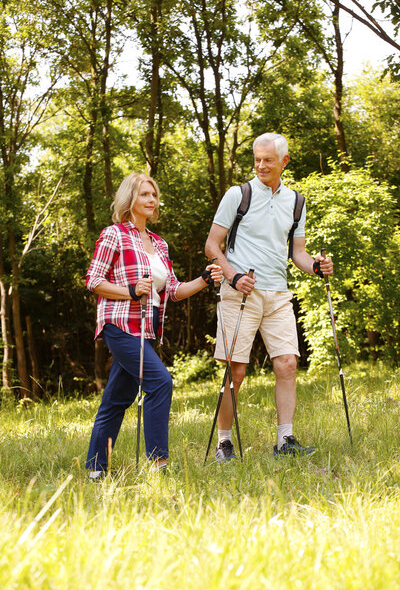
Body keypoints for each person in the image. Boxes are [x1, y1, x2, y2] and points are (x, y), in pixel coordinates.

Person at [205, 132, 333, 461]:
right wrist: (233, 276)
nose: (261, 165)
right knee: (236, 371)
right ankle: (224, 443)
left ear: (284, 162)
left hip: (278, 293)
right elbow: (212, 245)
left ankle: (285, 441)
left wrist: (317, 267)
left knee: (288, 364)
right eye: (257, 160)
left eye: (268, 160)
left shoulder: (296, 202)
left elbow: (299, 254)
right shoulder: (238, 195)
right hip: (240, 293)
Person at [86, 172, 222, 479]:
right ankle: (158, 464)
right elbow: (94, 281)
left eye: (154, 195)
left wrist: (203, 278)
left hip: (146, 330)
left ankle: (96, 469)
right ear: (129, 199)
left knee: (117, 398)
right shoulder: (115, 234)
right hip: (119, 323)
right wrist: (131, 291)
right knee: (161, 382)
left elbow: (172, 290)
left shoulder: (160, 244)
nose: (151, 200)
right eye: (145, 194)